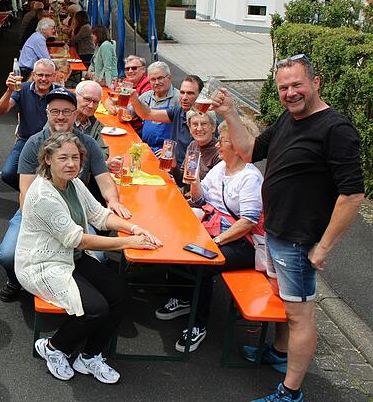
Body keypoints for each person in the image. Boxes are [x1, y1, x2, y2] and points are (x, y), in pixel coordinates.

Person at [215, 54, 363, 402]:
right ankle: (281, 355)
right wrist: (231, 114)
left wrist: (322, 249)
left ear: (316, 82)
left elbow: (353, 195)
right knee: (286, 303)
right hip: (276, 234)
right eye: (283, 87)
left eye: (297, 84)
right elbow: (250, 151)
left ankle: (290, 392)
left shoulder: (336, 129)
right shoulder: (288, 119)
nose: (290, 92)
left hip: (299, 241)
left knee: (299, 316)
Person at [17, 132, 161, 383]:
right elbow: (78, 239)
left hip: (71, 258)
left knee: (119, 294)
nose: (71, 163)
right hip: (42, 263)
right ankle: (54, 347)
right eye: (63, 157)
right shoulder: (43, 195)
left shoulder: (74, 183)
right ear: (48, 159)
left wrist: (134, 228)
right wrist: (127, 242)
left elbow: (99, 215)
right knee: (95, 308)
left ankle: (90, 356)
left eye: (75, 157)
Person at [0, 88, 131, 302]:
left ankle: (78, 289)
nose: (61, 116)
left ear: (75, 115)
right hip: (37, 212)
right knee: (8, 255)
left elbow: (104, 177)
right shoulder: (34, 143)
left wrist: (113, 201)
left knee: (100, 257)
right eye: (55, 111)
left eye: (67, 111)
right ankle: (16, 279)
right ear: (47, 113)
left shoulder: (87, 142)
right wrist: (29, 228)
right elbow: (26, 191)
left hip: (76, 211)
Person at [154, 118, 263, 353]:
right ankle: (183, 298)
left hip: (243, 243)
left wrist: (216, 242)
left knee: (203, 261)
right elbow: (202, 201)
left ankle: (199, 325)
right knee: (175, 238)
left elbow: (248, 222)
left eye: (222, 140)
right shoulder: (221, 167)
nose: (218, 145)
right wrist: (194, 183)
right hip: (215, 228)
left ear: (236, 144)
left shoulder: (250, 177)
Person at [0, 58, 57, 190]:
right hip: (25, 140)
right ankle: (31, 192)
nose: (43, 79)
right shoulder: (22, 88)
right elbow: (1, 110)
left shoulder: (59, 93)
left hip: (52, 142)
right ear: (34, 75)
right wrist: (9, 90)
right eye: (40, 75)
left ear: (54, 76)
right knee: (7, 174)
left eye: (47, 75)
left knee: (55, 175)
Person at [126, 61, 180, 152]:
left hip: (165, 151)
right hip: (145, 148)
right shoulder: (146, 96)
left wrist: (171, 150)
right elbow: (127, 114)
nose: (156, 82)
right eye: (153, 79)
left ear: (169, 78)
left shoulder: (178, 98)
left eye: (160, 78)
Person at [73, 80, 108, 159]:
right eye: (87, 99)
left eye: (95, 102)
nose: (91, 106)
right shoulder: (62, 120)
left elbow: (103, 151)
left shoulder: (95, 124)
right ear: (75, 96)